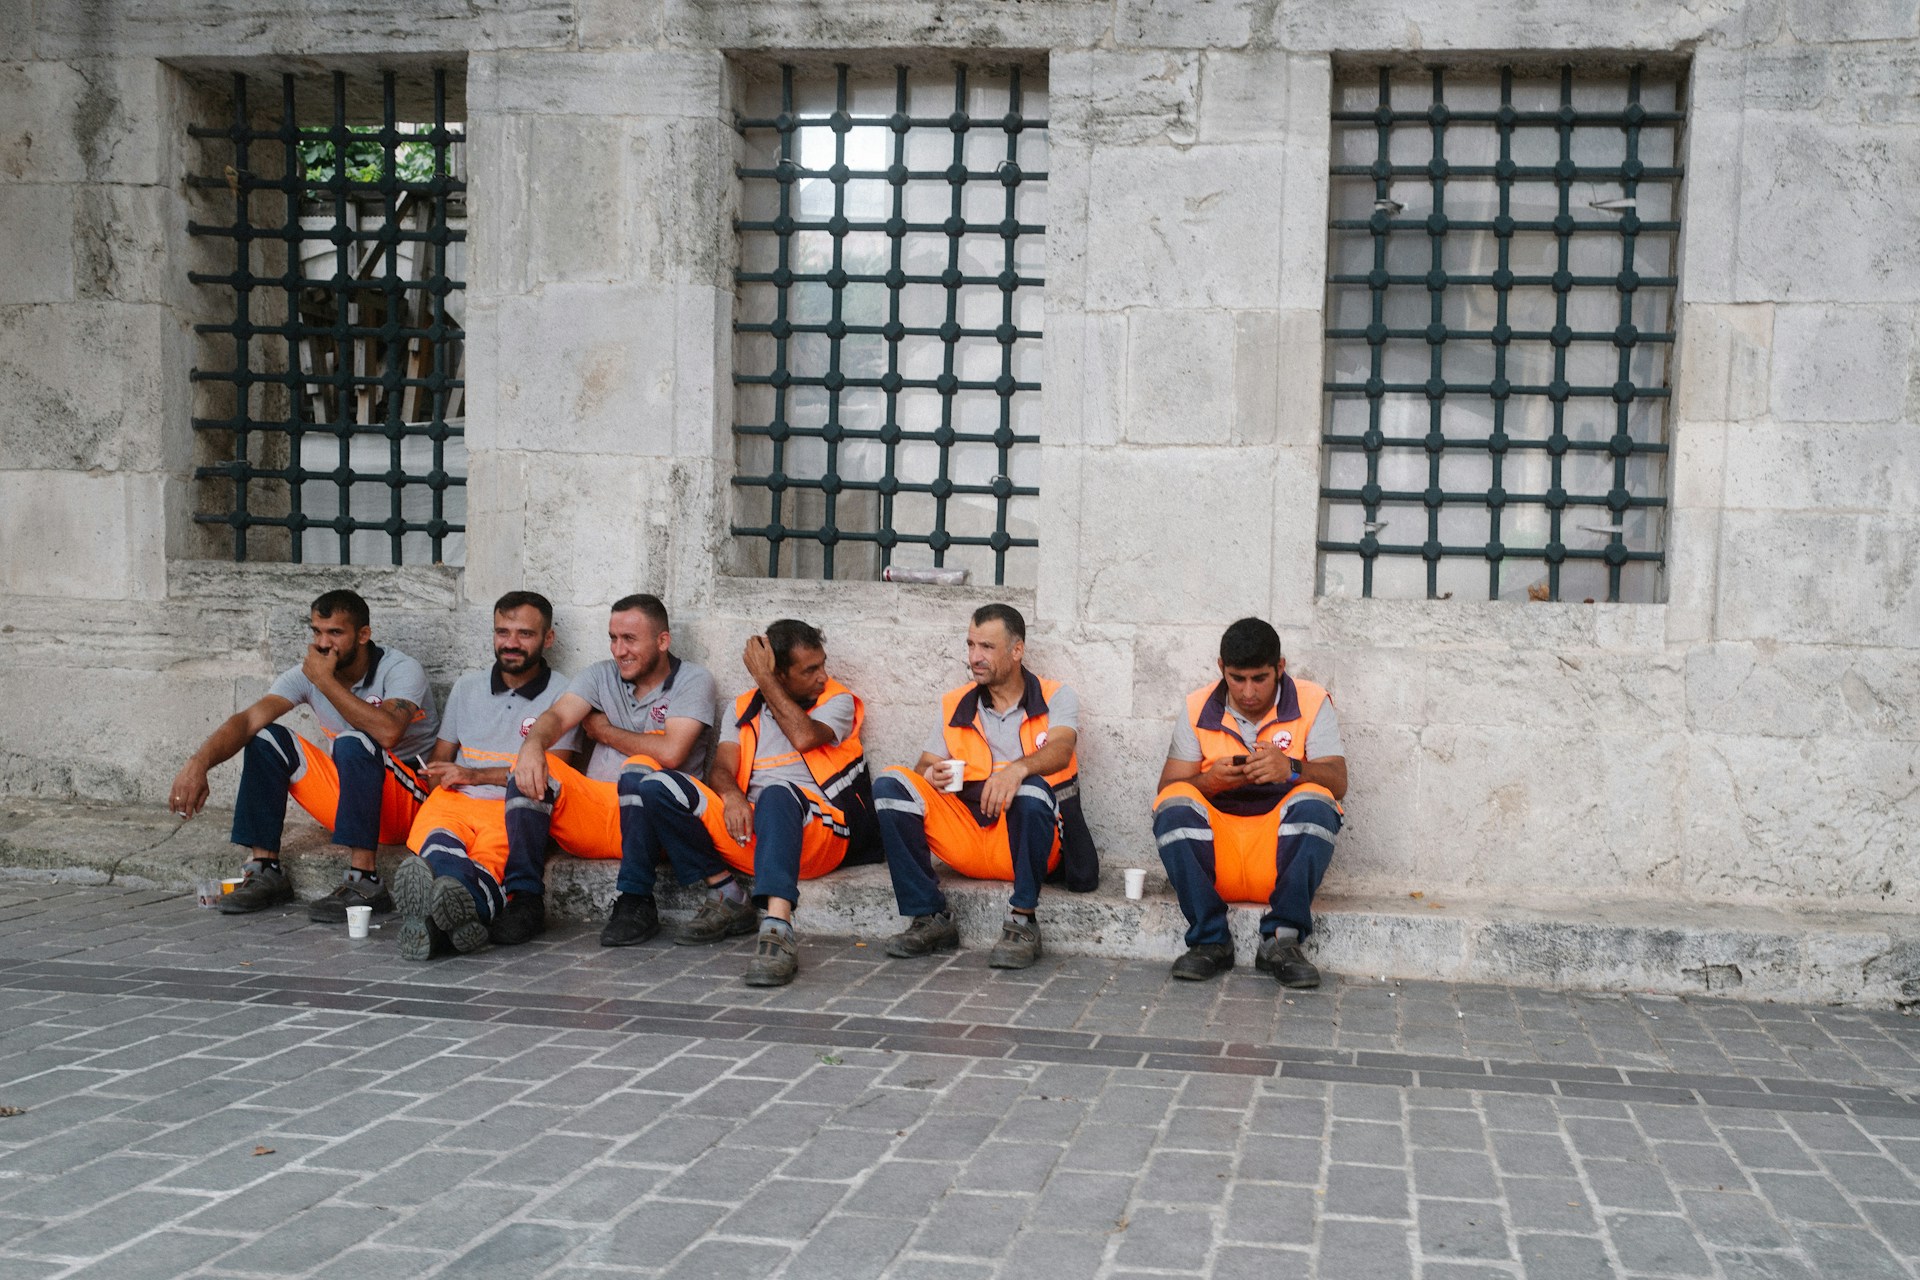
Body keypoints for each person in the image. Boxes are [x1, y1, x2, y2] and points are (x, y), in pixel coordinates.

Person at [610, 619, 879, 985]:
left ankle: (778, 926)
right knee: (657, 785)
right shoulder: (743, 709)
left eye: (822, 664)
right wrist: (733, 796)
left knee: (776, 794)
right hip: (753, 830)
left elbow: (803, 737)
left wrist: (765, 680)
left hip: (820, 835)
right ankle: (725, 893)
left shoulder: (838, 700)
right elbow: (721, 768)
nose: (822, 676)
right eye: (810, 669)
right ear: (780, 674)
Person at [165, 589, 439, 918]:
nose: (323, 644)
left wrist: (325, 682)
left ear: (363, 635)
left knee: (355, 739)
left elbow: (389, 732)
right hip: (357, 800)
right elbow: (248, 720)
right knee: (265, 736)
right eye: (317, 632)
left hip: (409, 805)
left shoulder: (401, 669)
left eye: (336, 633)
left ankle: (365, 881)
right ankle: (265, 870)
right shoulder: (308, 675)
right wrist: (199, 763)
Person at [873, 603, 1098, 970]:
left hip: (1034, 843)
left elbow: (1060, 749)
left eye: (987, 647)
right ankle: (929, 917)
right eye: (970, 645)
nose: (975, 657)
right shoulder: (954, 704)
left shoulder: (1056, 696)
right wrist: (931, 776)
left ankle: (1022, 922)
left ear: (1017, 650)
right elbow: (924, 767)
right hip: (969, 838)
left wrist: (1018, 770)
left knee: (1030, 789)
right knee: (891, 784)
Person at [499, 593, 716, 943]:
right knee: (535, 766)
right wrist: (532, 745)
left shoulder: (693, 681)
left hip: (656, 824)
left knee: (641, 768)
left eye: (629, 639)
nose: (618, 650)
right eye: (613, 638)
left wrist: (605, 732)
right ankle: (524, 900)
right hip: (598, 817)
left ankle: (636, 900)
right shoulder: (601, 675)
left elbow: (672, 753)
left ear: (663, 641)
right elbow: (557, 716)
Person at [1152, 617, 1347, 987]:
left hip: (1276, 856)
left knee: (1318, 801)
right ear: (1221, 668)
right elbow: (1167, 787)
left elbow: (1338, 782)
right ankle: (1210, 940)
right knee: (1174, 803)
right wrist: (1208, 782)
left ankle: (1282, 940)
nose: (1248, 692)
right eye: (1237, 678)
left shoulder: (1311, 701)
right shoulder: (1197, 706)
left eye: (1260, 678)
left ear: (1280, 668)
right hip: (1219, 854)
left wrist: (1290, 768)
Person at [393, 592, 582, 960]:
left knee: (478, 868)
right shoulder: (467, 686)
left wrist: (475, 775)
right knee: (438, 844)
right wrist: (440, 777)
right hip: (453, 802)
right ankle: (456, 912)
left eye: (524, 634)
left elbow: (552, 772)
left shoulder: (564, 694)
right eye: (502, 632)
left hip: (511, 808)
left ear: (548, 639)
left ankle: (434, 927)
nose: (510, 643)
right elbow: (441, 757)